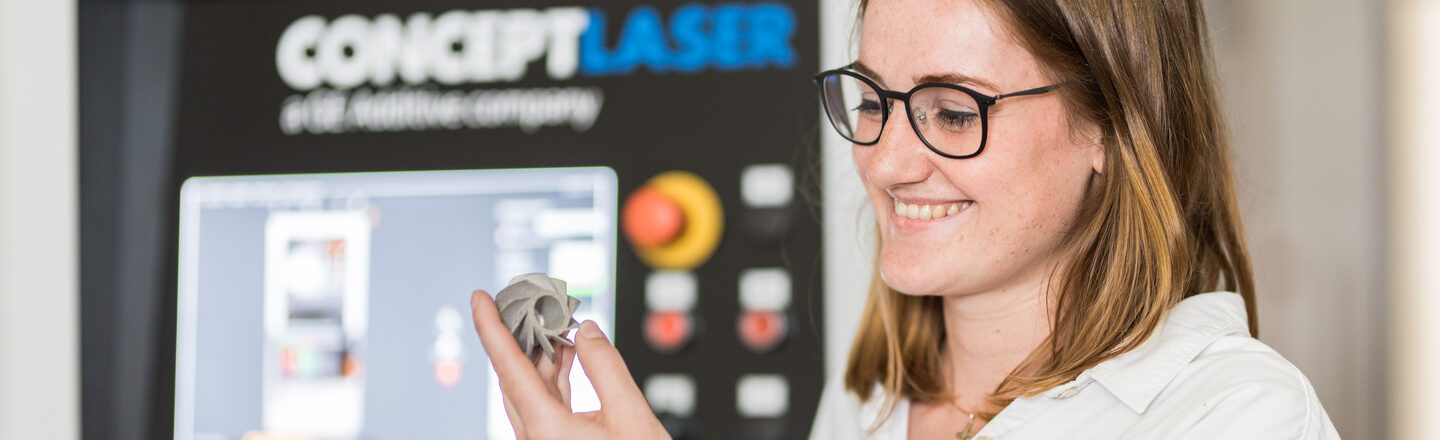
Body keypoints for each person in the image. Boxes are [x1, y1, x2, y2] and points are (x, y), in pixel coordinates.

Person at [469, 0, 1343, 438]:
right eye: (873, 99)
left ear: (1112, 124)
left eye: (955, 112)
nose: (885, 163)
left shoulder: (1229, 414)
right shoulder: (871, 406)